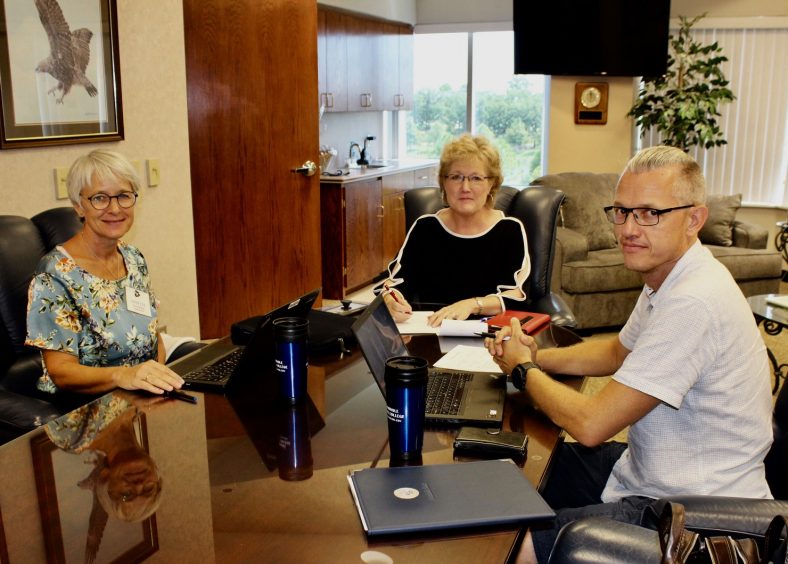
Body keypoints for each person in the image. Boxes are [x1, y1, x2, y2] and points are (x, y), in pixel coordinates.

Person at [486, 146, 774, 563]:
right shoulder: (670, 276)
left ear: (694, 219)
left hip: (688, 511)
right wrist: (538, 356)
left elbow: (591, 425)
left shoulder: (694, 301)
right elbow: (618, 351)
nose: (629, 228)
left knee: (518, 547)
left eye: (649, 213)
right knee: (520, 460)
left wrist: (522, 368)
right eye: (621, 211)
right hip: (651, 470)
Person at [25, 149, 184, 396]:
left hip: (138, 396)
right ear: (79, 206)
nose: (115, 208)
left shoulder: (133, 258)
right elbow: (61, 371)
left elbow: (152, 336)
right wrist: (124, 375)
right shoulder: (54, 274)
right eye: (100, 198)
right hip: (84, 407)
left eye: (123, 195)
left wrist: (158, 379)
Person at [381, 134, 530, 327]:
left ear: (491, 183)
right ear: (444, 182)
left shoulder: (510, 230)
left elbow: (517, 294)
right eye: (456, 177)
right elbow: (397, 282)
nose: (465, 187)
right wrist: (391, 299)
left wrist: (472, 305)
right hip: (430, 332)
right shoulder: (425, 228)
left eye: (476, 178)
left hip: (489, 337)